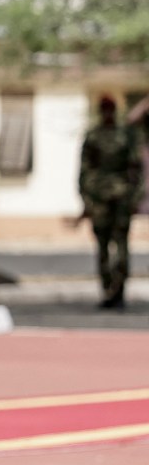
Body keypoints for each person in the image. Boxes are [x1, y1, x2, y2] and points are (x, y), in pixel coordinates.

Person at [77, 96, 143, 311]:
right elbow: (84, 171)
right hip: (100, 199)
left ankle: (119, 290)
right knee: (103, 247)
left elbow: (136, 169)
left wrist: (135, 197)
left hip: (121, 199)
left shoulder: (126, 135)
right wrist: (86, 200)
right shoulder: (93, 136)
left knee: (120, 245)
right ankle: (108, 291)